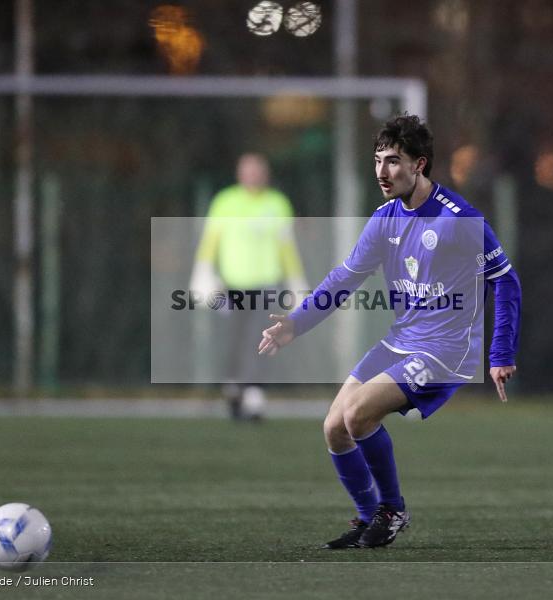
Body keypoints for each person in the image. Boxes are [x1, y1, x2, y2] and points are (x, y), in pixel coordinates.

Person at [258, 115, 521, 548]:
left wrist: (500, 352)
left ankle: (393, 510)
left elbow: (505, 281)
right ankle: (367, 520)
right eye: (378, 160)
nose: (382, 172)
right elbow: (344, 278)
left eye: (393, 161)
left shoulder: (458, 219)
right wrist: (295, 324)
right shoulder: (385, 219)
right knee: (334, 427)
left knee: (359, 412)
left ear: (419, 165)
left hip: (446, 350)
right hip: (402, 340)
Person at [190, 153, 308, 420]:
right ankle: (233, 388)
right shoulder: (225, 202)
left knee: (260, 337)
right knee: (232, 340)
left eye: (258, 170)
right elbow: (210, 241)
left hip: (265, 284)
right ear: (239, 173)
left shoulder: (277, 204)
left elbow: (287, 248)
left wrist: (296, 282)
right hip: (231, 285)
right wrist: (203, 273)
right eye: (248, 170)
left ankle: (254, 394)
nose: (253, 175)